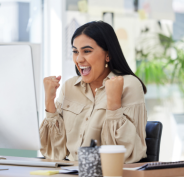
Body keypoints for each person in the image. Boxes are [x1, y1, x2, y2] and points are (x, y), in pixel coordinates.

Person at [40, 21, 147, 163]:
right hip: (70, 173)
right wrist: (49, 102)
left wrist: (114, 103)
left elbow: (125, 155)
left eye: (87, 51)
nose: (78, 59)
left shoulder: (128, 85)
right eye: (75, 51)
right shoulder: (69, 87)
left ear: (107, 55)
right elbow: (54, 153)